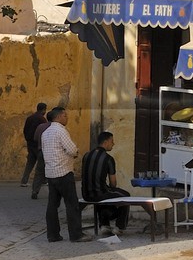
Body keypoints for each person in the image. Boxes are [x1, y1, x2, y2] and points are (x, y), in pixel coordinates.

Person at [41, 106, 87, 242]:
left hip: (51, 173)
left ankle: (53, 234)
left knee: (52, 205)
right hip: (64, 172)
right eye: (65, 116)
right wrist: (76, 153)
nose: (67, 118)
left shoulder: (45, 133)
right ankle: (76, 234)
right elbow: (72, 149)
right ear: (59, 117)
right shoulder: (61, 131)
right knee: (72, 204)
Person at [81, 130, 131, 236]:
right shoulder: (108, 159)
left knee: (104, 194)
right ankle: (120, 227)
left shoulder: (86, 155)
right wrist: (111, 188)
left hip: (86, 194)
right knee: (126, 196)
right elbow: (113, 183)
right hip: (99, 193)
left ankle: (104, 224)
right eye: (112, 141)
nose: (113, 144)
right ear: (106, 142)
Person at [20, 102, 48, 187]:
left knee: (30, 163)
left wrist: (28, 140)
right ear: (43, 110)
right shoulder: (42, 119)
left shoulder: (30, 118)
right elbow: (44, 132)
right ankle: (42, 180)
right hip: (38, 144)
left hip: (30, 144)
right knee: (42, 163)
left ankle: (24, 181)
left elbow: (25, 130)